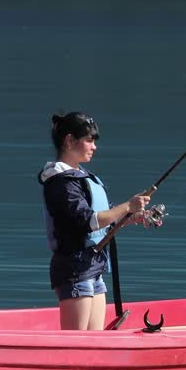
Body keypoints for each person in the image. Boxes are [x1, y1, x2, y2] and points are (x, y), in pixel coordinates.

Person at [39, 112, 151, 331]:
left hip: (93, 267)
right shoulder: (60, 183)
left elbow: (102, 221)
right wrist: (127, 206)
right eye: (89, 140)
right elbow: (88, 221)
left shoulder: (82, 178)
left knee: (95, 342)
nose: (94, 147)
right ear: (70, 140)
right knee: (75, 345)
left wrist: (132, 217)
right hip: (74, 270)